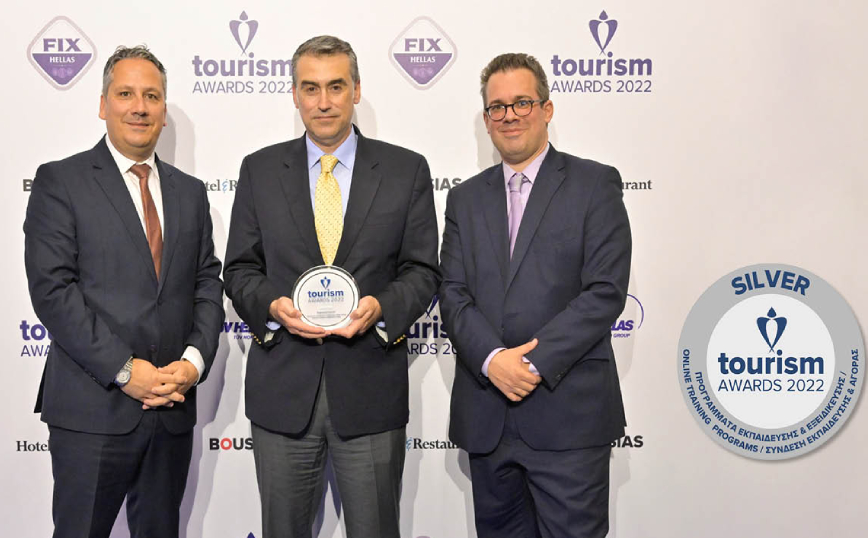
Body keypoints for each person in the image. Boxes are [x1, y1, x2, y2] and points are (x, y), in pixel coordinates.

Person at [223, 35, 440, 538]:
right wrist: (272, 307)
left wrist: (381, 308)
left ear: (356, 90)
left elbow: (423, 270)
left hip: (370, 392)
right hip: (283, 393)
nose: (323, 101)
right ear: (294, 95)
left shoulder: (406, 170)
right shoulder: (259, 170)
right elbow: (239, 269)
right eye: (311, 88)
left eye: (336, 87)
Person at [23, 45, 224, 538]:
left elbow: (206, 283)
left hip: (171, 408)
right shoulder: (61, 181)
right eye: (126, 94)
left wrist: (193, 363)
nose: (139, 107)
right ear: (103, 104)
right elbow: (53, 291)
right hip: (92, 409)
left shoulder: (190, 192)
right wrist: (125, 369)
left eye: (151, 96)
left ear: (164, 111)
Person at [439, 53, 632, 538]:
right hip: (488, 418)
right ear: (486, 119)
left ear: (547, 109)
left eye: (522, 102)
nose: (510, 115)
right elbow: (453, 293)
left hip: (568, 418)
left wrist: (527, 364)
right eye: (497, 107)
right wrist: (492, 361)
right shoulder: (464, 199)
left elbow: (604, 292)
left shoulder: (594, 184)